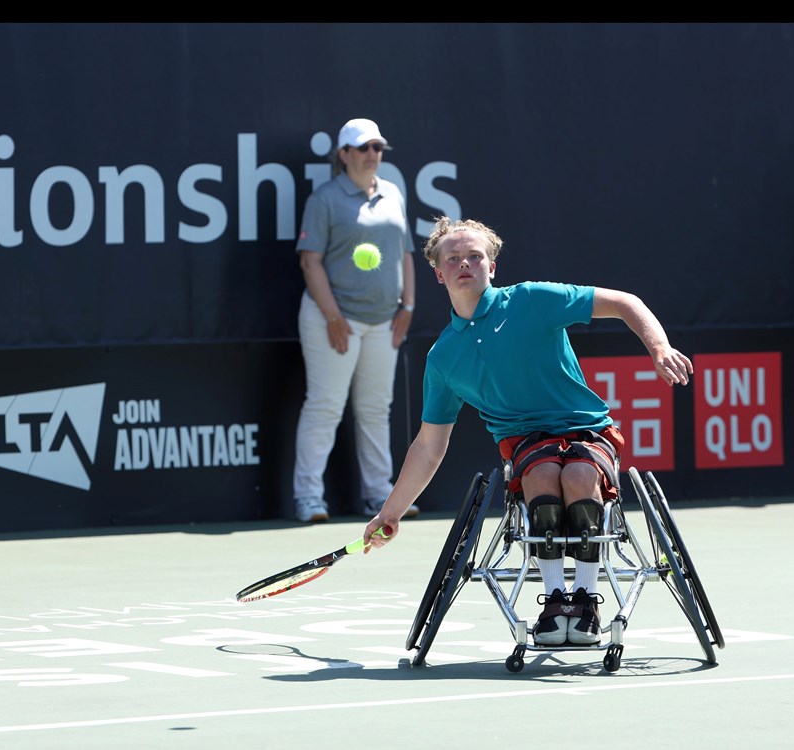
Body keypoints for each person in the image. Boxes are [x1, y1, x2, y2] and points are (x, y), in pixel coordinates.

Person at [360, 216, 693, 646]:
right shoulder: (443, 357)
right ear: (439, 273)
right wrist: (391, 512)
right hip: (526, 447)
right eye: (454, 259)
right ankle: (555, 601)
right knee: (540, 476)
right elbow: (429, 446)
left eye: (475, 256)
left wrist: (660, 348)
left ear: (491, 267)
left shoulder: (532, 299)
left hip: (587, 432)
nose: (465, 264)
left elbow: (625, 302)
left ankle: (587, 600)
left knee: (575, 475)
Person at [292, 117, 420, 523]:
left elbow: (405, 254)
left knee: (375, 409)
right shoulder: (325, 200)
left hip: (384, 322)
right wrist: (332, 316)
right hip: (332, 320)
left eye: (377, 148)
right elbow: (310, 262)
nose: (372, 155)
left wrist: (408, 307)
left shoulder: (393, 194)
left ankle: (380, 497)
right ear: (344, 155)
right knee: (326, 405)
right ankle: (308, 498)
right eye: (363, 148)